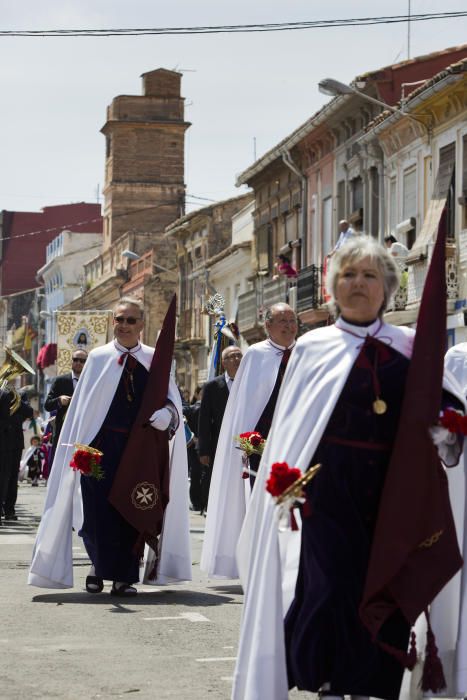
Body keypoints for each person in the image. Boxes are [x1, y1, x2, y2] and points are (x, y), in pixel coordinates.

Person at [232, 237, 465, 700]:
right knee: (331, 585)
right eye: (348, 275)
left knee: (387, 583)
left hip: (393, 493)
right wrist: (283, 479)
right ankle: (330, 680)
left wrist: (448, 428)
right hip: (328, 491)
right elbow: (291, 424)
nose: (358, 284)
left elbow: (444, 410)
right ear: (333, 287)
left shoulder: (411, 346)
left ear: (389, 287)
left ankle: (371, 685)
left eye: (370, 275)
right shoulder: (312, 348)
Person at [29, 296, 191, 596]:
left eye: (131, 320)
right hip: (99, 449)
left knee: (130, 510)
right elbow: (83, 409)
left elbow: (172, 399)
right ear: (112, 323)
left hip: (139, 449)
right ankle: (97, 566)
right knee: (97, 512)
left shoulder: (154, 359)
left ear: (142, 324)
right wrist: (79, 446)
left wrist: (167, 414)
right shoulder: (99, 357)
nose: (124, 325)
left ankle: (124, 577)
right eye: (119, 319)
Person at [200, 303, 298, 579]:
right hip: (262, 448)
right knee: (264, 506)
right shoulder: (256, 355)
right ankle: (263, 564)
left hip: (298, 442)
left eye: (292, 320)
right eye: (282, 321)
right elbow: (245, 405)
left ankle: (291, 563)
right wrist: (248, 442)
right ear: (268, 326)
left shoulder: (304, 352)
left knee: (297, 506)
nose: (289, 326)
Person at [197, 346, 243, 514]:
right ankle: (216, 511)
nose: (237, 359)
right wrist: (204, 451)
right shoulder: (212, 386)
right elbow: (204, 421)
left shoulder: (250, 382)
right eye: (232, 356)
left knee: (244, 479)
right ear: (224, 363)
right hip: (219, 443)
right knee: (220, 480)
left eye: (239, 355)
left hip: (247, 442)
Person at [44, 349, 87, 462]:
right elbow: (47, 405)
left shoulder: (91, 381)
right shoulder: (60, 381)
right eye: (76, 359)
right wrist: (59, 400)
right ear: (71, 361)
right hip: (63, 432)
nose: (78, 363)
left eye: (82, 360)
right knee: (60, 463)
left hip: (83, 431)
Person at [2, 388, 33, 521]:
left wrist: (16, 399)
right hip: (3, 440)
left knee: (12, 477)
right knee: (2, 476)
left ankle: (9, 509)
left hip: (15, 443)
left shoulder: (20, 394)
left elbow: (28, 412)